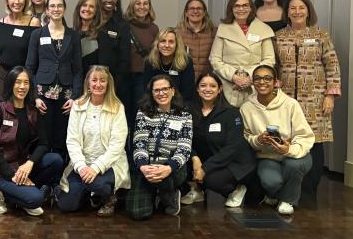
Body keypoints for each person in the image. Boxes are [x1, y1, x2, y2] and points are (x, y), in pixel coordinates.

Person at [275, 0, 341, 196]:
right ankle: (289, 185)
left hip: (315, 98)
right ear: (287, 12)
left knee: (315, 142)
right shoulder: (278, 36)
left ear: (308, 10)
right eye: (292, 8)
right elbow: (273, 66)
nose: (297, 12)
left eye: (301, 8)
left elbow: (332, 65)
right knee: (289, 139)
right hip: (286, 99)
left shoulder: (321, 35)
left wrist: (330, 95)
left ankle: (310, 187)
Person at [0, 66, 65, 216]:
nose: (22, 86)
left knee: (55, 160)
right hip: (0, 171)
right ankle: (0, 191)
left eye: (26, 82)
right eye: (17, 82)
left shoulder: (33, 111)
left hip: (22, 166)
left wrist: (30, 163)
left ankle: (19, 193)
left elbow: (43, 144)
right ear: (10, 84)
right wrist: (12, 176)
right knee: (36, 199)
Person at [240, 64, 315, 216]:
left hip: (296, 154)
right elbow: (246, 136)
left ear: (275, 82)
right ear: (253, 82)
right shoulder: (246, 108)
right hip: (268, 156)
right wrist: (258, 139)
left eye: (267, 78)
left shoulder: (290, 104)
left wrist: (289, 149)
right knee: (271, 182)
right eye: (258, 78)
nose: (262, 82)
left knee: (292, 166)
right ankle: (273, 194)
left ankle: (288, 200)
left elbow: (304, 135)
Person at [56, 66, 129, 216]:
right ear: (88, 84)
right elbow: (72, 141)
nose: (98, 84)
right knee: (66, 205)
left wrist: (96, 168)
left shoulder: (117, 107)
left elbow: (117, 145)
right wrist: (81, 167)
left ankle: (108, 197)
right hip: (83, 164)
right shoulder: (78, 105)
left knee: (98, 183)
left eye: (102, 80)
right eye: (94, 80)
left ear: (108, 83)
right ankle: (90, 195)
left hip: (109, 164)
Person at [184, 71, 258, 207]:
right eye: (203, 85)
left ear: (220, 90)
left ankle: (238, 188)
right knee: (181, 170)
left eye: (212, 86)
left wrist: (204, 168)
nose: (207, 89)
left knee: (210, 180)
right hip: (210, 159)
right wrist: (195, 159)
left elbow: (232, 148)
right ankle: (198, 191)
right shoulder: (188, 111)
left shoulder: (231, 113)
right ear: (197, 89)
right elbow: (185, 138)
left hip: (234, 162)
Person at [126, 75, 192, 220]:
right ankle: (153, 191)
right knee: (138, 213)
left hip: (172, 167)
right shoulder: (143, 113)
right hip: (147, 167)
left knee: (167, 180)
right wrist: (143, 166)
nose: (161, 93)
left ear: (173, 91)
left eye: (165, 89)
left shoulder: (185, 115)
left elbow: (184, 149)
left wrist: (168, 168)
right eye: (156, 90)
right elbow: (139, 143)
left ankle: (169, 194)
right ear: (151, 93)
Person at [25, 0, 83, 159]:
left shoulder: (73, 36)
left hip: (66, 96)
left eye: (59, 6)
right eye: (52, 6)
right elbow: (30, 67)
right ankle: (44, 179)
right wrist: (34, 96)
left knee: (62, 137)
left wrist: (76, 97)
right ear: (47, 10)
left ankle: (59, 180)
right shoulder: (37, 34)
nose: (56, 9)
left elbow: (78, 69)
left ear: (64, 9)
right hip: (43, 95)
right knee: (43, 137)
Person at [209, 0, 275, 107]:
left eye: (245, 5)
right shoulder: (223, 28)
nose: (241, 9)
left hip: (255, 85)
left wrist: (249, 78)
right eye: (237, 6)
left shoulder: (263, 29)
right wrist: (234, 77)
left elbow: (269, 60)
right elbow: (215, 59)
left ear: (251, 8)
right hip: (227, 85)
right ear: (231, 9)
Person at [74, 0, 130, 96]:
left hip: (98, 89)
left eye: (91, 6)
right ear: (79, 8)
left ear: (96, 11)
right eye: (84, 5)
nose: (87, 9)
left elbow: (108, 66)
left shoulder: (103, 35)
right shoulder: (72, 34)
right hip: (77, 90)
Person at [0, 0, 40, 100]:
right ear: (7, 1)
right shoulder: (1, 23)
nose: (17, 1)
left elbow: (38, 54)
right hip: (3, 75)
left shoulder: (33, 22)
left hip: (24, 76)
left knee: (22, 112)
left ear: (25, 0)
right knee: (3, 111)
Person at [124, 0, 159, 122]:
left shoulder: (154, 29)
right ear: (132, 6)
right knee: (124, 112)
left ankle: (137, 141)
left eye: (145, 3)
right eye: (138, 3)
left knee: (139, 113)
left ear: (149, 7)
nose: (142, 7)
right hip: (125, 76)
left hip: (143, 77)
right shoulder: (124, 26)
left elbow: (156, 55)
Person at [143, 28, 196, 103]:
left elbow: (188, 92)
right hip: (155, 104)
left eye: (171, 42)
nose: (167, 45)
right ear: (157, 44)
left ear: (177, 45)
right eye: (163, 41)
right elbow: (147, 91)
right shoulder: (150, 62)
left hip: (180, 105)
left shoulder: (186, 61)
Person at [175, 0, 217, 78]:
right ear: (186, 13)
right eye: (192, 8)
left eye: (199, 8)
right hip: (184, 80)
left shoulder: (214, 33)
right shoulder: (177, 33)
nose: (195, 11)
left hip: (207, 82)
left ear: (204, 13)